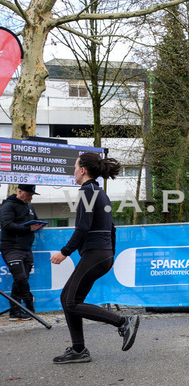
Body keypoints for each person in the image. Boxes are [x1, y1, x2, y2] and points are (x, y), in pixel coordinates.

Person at [50, 152, 139, 364]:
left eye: (75, 167)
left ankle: (123, 322)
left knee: (70, 301)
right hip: (101, 254)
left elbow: (82, 228)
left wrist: (65, 252)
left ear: (82, 170)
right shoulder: (99, 192)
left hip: (96, 253)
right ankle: (78, 349)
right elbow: (112, 228)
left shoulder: (87, 191)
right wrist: (111, 254)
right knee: (68, 299)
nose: (73, 172)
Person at [0, 184, 46, 320]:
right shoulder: (8, 205)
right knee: (21, 278)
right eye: (29, 195)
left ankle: (15, 312)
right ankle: (30, 307)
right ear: (19, 191)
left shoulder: (30, 206)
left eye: (32, 195)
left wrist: (39, 226)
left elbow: (34, 222)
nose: (31, 197)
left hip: (26, 248)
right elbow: (6, 224)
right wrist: (28, 229)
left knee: (20, 280)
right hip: (11, 248)